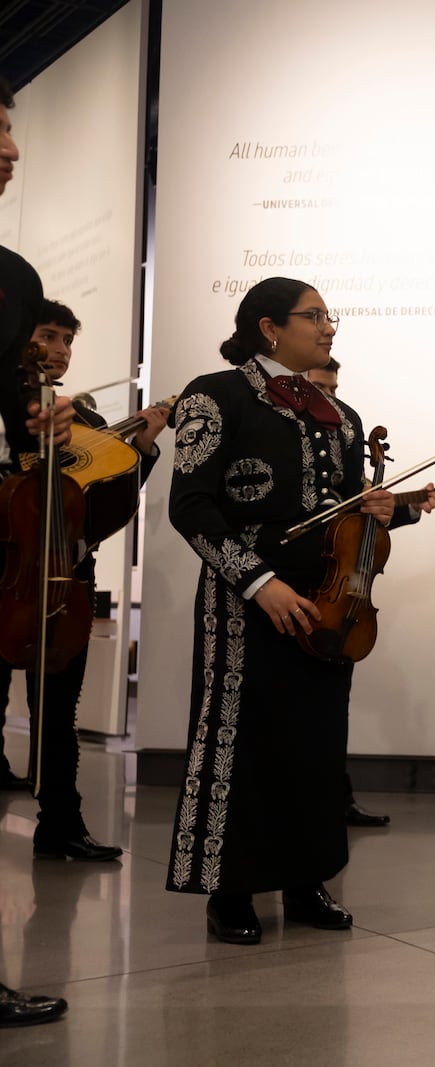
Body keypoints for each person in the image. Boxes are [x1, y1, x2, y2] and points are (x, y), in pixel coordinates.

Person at [163, 277, 418, 944]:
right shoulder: (214, 395)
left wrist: (375, 506)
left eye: (329, 317)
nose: (329, 327)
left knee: (315, 745)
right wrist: (259, 582)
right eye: (316, 317)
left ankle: (307, 880)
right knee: (241, 745)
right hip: (246, 601)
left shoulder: (344, 415)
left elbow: (337, 509)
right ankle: (232, 888)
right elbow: (189, 505)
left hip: (327, 604)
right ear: (269, 325)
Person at [0, 300, 168, 860]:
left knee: (59, 712)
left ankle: (62, 825)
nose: (59, 349)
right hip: (7, 571)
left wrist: (145, 446)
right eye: (48, 335)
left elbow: (112, 497)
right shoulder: (8, 406)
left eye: (67, 340)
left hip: (67, 572)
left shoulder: (87, 422)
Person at [0, 73, 78, 1026]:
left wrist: (40, 428)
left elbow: (15, 416)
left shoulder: (16, 278)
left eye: (13, 132)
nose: (12, 149)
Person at [304, 354, 435, 827]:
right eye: (320, 388)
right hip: (292, 595)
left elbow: (362, 527)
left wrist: (410, 506)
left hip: (340, 598)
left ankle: (334, 798)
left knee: (333, 710)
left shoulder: (344, 444)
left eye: (334, 390)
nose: (330, 399)